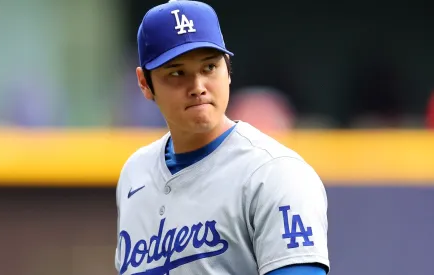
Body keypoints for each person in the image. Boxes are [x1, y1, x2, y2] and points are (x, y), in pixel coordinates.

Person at [115, 1, 330, 274]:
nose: (198, 87)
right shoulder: (135, 173)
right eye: (177, 73)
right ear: (145, 83)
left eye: (209, 68)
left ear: (228, 69)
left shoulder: (276, 175)